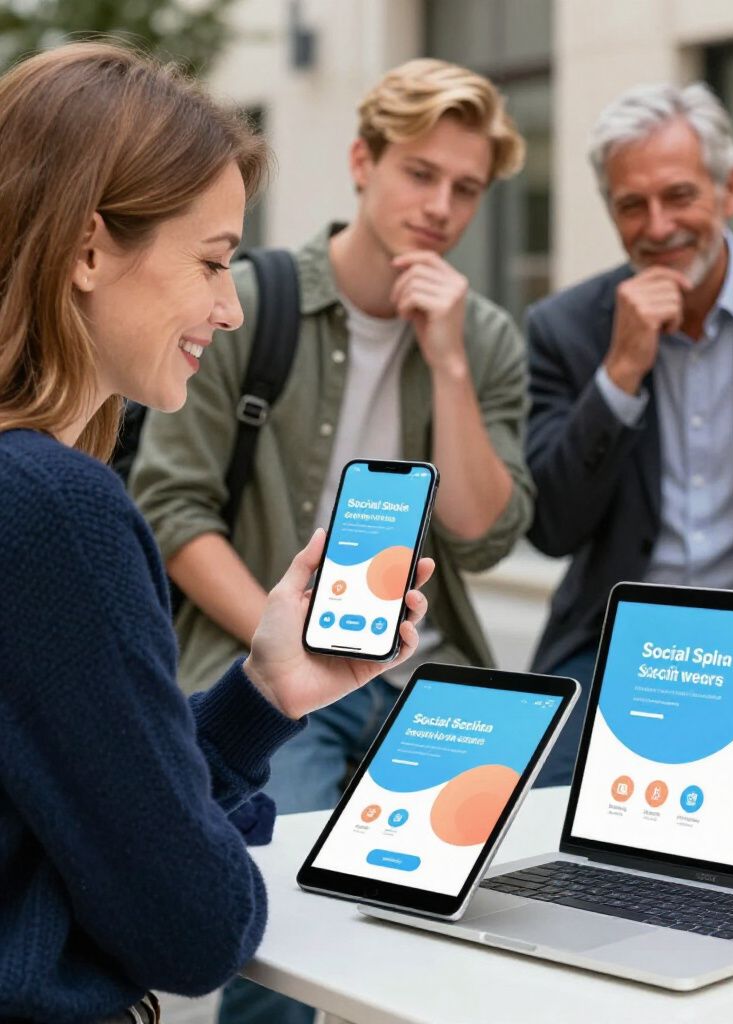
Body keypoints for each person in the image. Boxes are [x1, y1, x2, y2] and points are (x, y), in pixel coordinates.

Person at [0, 42, 434, 1024]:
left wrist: (266, 693)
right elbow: (194, 924)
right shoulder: (55, 509)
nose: (230, 306)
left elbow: (77, 798)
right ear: (87, 248)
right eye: (210, 260)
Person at [128, 58, 531, 1024]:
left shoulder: (484, 338)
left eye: (465, 188)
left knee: (477, 936)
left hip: (429, 678)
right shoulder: (249, 302)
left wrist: (448, 365)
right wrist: (302, 651)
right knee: (282, 937)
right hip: (267, 672)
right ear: (363, 160)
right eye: (419, 173)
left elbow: (483, 537)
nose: (440, 205)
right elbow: (177, 511)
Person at [525, 82, 733, 784]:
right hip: (614, 645)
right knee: (538, 815)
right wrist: (620, 371)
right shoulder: (566, 327)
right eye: (632, 205)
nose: (657, 227)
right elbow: (551, 528)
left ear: (728, 189)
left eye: (679, 195)